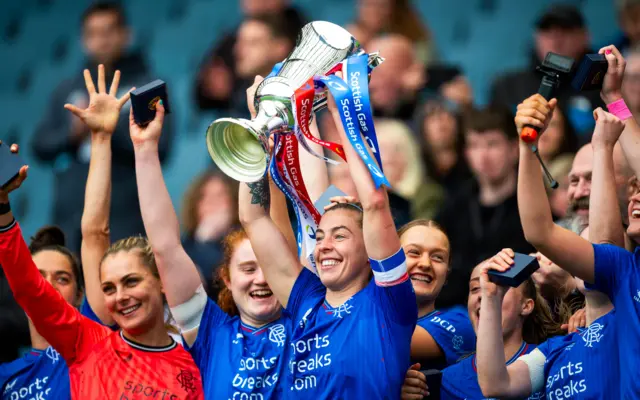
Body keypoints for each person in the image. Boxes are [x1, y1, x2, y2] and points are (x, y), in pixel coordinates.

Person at [0, 70, 203, 399]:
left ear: (162, 282)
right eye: (108, 287)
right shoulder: (88, 341)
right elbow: (30, 283)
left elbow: (106, 235)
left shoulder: (194, 364)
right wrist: (2, 211)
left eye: (131, 281)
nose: (120, 295)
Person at [239, 73, 417, 398]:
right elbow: (253, 218)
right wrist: (257, 128)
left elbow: (375, 203)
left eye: (340, 236)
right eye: (320, 237)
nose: (324, 247)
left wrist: (340, 115)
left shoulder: (388, 303)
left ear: (370, 249)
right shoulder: (307, 300)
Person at [131, 83, 297, 398]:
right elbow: (166, 248)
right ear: (227, 279)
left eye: (267, 266)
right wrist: (145, 151)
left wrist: (260, 129)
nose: (261, 278)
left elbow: (276, 222)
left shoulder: (307, 318)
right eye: (248, 269)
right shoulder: (210, 334)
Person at [514, 45, 640, 396]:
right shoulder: (625, 271)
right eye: (574, 179)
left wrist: (615, 101)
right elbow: (539, 231)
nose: (636, 198)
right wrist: (528, 145)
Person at [31, 2, 174, 253]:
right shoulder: (67, 88)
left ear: (125, 34)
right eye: (93, 34)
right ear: (83, 40)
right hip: (70, 219)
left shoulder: (146, 87)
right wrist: (73, 134)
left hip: (124, 216)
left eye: (108, 31)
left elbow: (161, 147)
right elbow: (40, 145)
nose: (101, 40)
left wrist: (106, 127)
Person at [400, 259, 560, 400]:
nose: (487, 294)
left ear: (526, 306)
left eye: (500, 285)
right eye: (476, 288)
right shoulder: (447, 380)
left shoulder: (552, 360)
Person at [476, 248, 617, 399]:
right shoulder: (555, 348)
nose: (587, 261)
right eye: (582, 253)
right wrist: (492, 297)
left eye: (592, 251)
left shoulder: (629, 323)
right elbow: (496, 385)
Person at [435, 106, 534, 308]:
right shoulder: (454, 205)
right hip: (456, 309)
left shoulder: (532, 206)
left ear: (514, 149)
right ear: (466, 153)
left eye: (492, 144)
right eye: (475, 146)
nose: (483, 156)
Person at [490, 3, 603, 138]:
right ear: (536, 37)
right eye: (547, 31)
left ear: (585, 36)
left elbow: (625, 126)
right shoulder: (507, 86)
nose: (556, 40)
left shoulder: (604, 87)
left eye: (565, 30)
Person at [0, 225, 83, 400]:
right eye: (37, 278)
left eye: (62, 279)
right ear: (21, 292)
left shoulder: (96, 351)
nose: (48, 285)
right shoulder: (4, 376)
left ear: (79, 295)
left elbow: (95, 234)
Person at [194, 0, 305, 112]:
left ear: (280, 48)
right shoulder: (240, 105)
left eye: (253, 43)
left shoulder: (302, 103)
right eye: (239, 42)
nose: (238, 50)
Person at [399, 219, 475, 370]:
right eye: (414, 252)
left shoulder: (461, 322)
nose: (425, 264)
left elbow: (382, 341)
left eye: (438, 257)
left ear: (446, 274)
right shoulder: (363, 312)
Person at [180, 169, 239, 297]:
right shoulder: (183, 246)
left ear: (234, 203)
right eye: (203, 197)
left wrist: (206, 242)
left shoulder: (246, 242)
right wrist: (202, 240)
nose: (211, 202)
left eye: (220, 195)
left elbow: (222, 282)